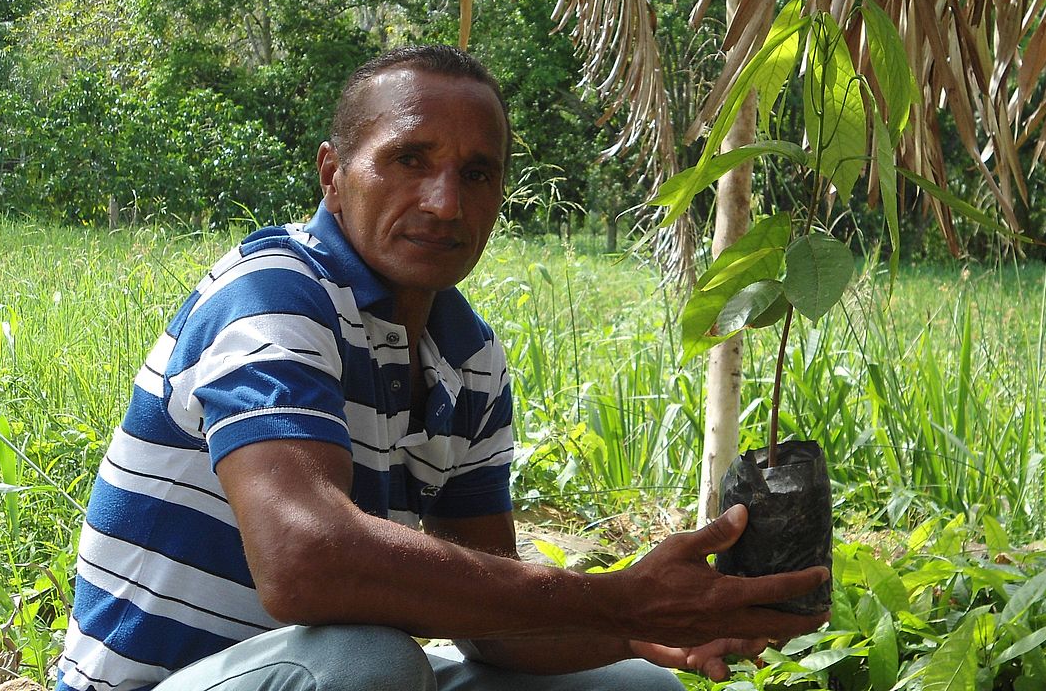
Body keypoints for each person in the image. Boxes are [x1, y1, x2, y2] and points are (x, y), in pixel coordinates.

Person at [53, 45, 829, 691]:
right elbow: (304, 565)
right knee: (369, 664)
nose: (445, 202)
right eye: (409, 158)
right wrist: (617, 602)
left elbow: (496, 623)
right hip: (160, 682)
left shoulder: (466, 356)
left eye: (477, 173)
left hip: (304, 669)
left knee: (635, 685)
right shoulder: (272, 296)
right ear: (332, 172)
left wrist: (662, 625)